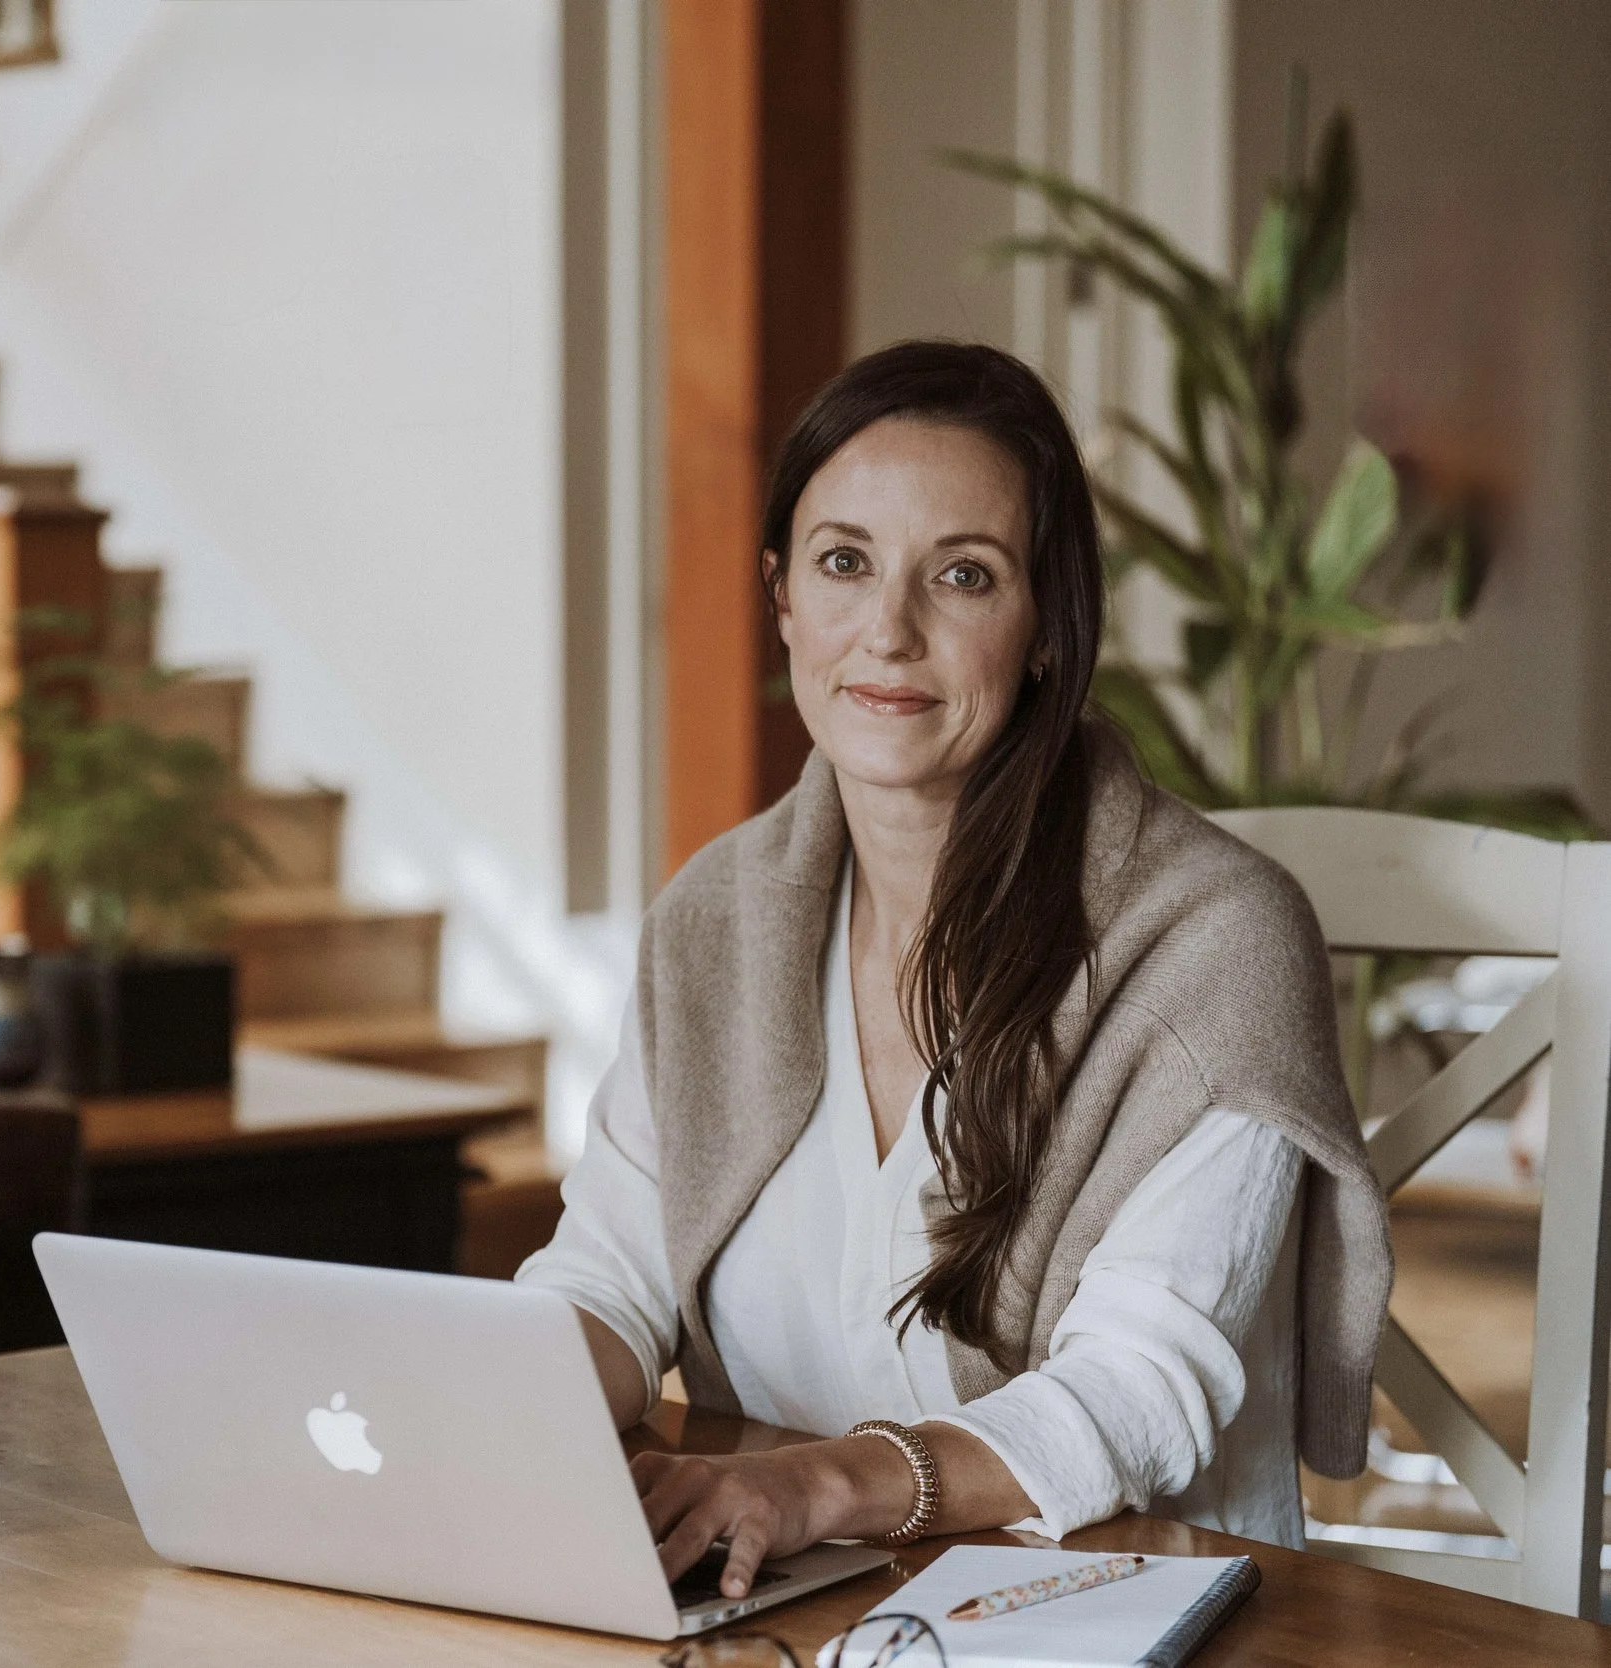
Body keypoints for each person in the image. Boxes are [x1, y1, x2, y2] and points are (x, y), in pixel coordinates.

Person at [518, 340, 1392, 1602]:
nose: (888, 630)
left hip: (1114, 1610)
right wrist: (482, 1413)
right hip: (791, 1607)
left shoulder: (1216, 940)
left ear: (1045, 625)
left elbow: (1137, 1391)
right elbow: (605, 1276)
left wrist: (814, 1483)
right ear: (781, 598)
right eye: (843, 563)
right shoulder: (714, 919)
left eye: (964, 577)